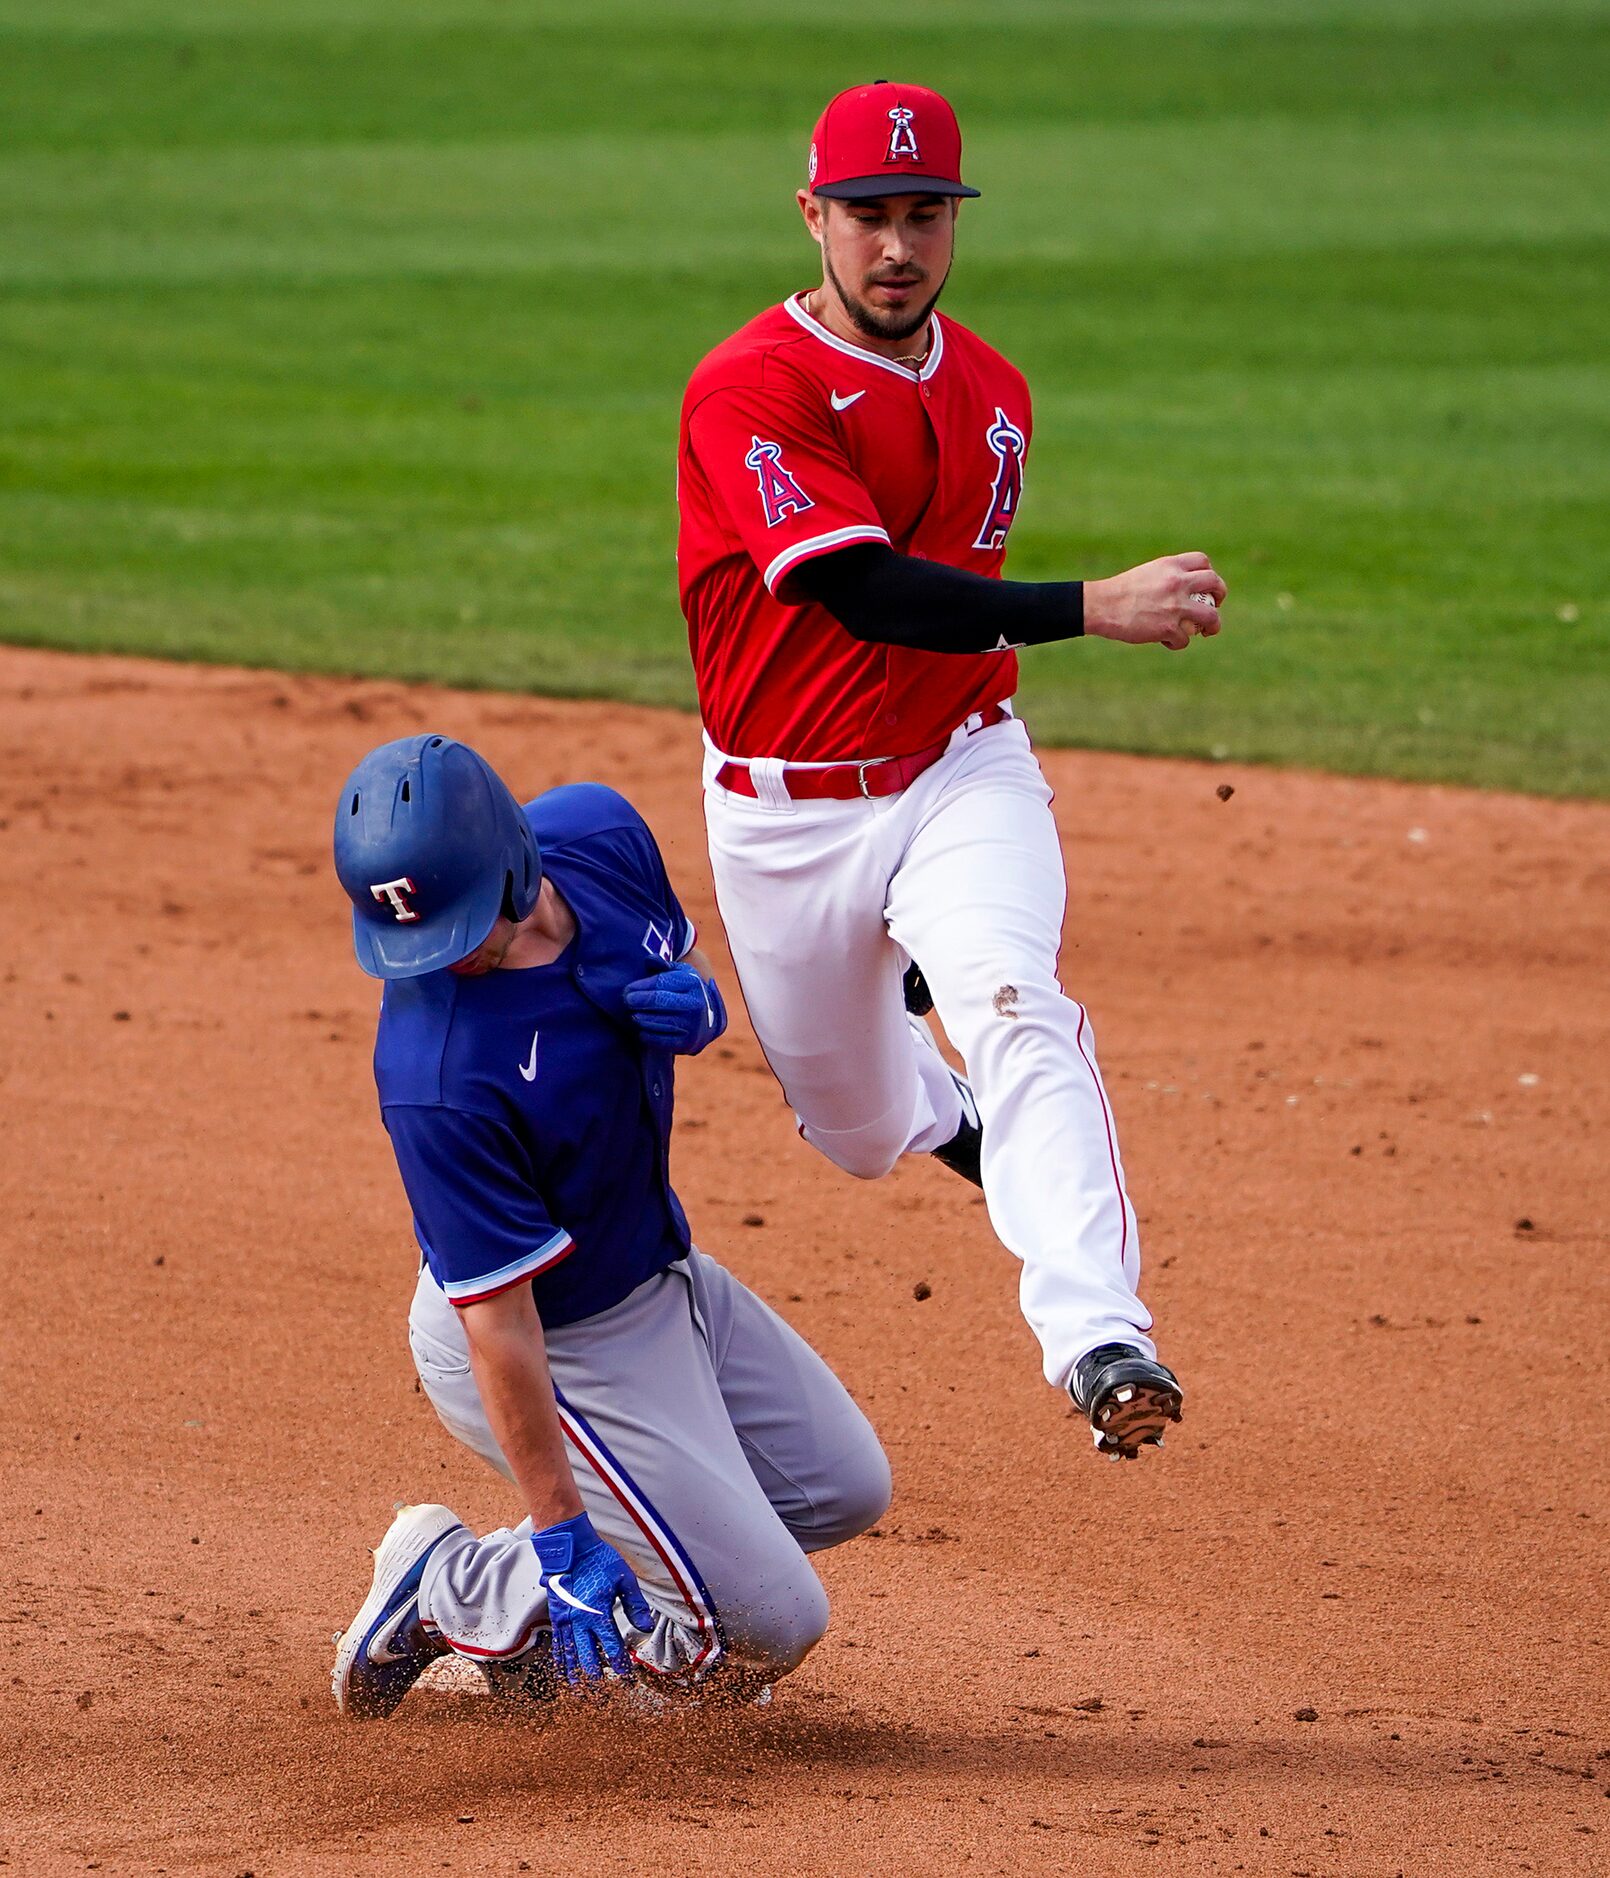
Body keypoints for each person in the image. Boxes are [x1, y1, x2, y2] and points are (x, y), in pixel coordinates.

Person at [677, 80, 1228, 1458]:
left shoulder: (993, 393)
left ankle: (1099, 1335)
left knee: (1014, 1000)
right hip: (781, 814)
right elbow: (860, 590)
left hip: (957, 770)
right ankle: (941, 1088)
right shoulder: (750, 387)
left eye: (924, 214)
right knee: (857, 1129)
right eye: (866, 214)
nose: (896, 246)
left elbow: (938, 620)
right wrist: (1086, 604)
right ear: (811, 216)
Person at [327, 734, 890, 1717]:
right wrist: (555, 1529)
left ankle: (475, 1578)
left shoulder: (596, 832)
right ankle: (460, 1593)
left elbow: (675, 948)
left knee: (836, 1492)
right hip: (547, 1340)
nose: (442, 959)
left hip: (660, 1275)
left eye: (462, 927)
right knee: (766, 1622)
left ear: (513, 861)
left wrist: (700, 1002)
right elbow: (498, 1322)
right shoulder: (436, 1074)